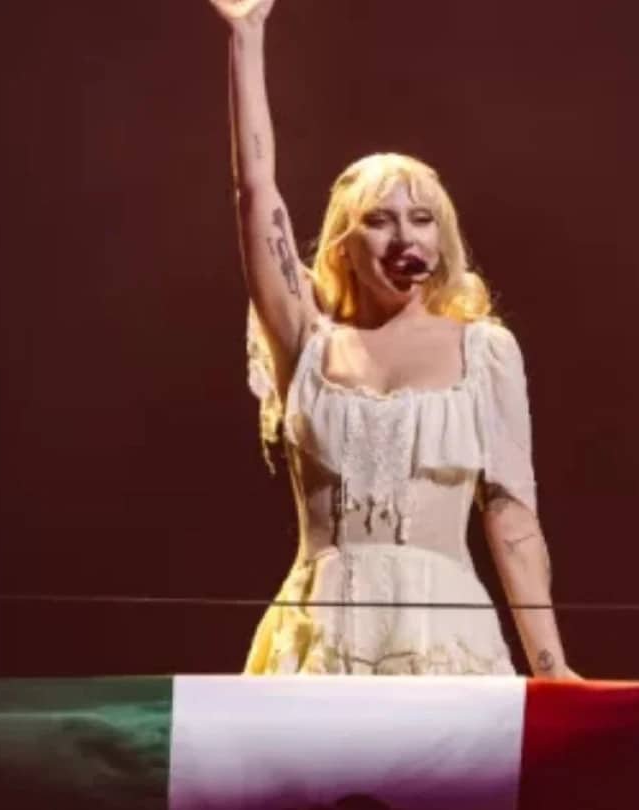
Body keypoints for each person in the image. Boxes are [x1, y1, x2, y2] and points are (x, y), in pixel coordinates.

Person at [207, 0, 575, 678]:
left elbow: (512, 518)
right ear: (344, 244)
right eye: (380, 220)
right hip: (319, 642)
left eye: (422, 219)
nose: (405, 236)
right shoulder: (307, 343)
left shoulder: (483, 352)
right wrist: (247, 34)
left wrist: (551, 667)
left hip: (444, 643)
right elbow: (255, 192)